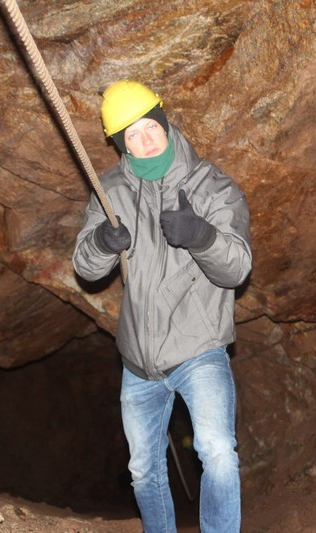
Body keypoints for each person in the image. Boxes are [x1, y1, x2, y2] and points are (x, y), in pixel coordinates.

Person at [73, 80, 252, 532]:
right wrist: (102, 242)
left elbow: (236, 269)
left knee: (217, 451)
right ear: (121, 145)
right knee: (143, 470)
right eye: (131, 134)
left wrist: (201, 236)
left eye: (150, 126)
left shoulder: (213, 187)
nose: (145, 139)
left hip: (199, 349)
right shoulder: (110, 191)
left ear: (165, 124)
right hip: (139, 361)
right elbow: (85, 268)